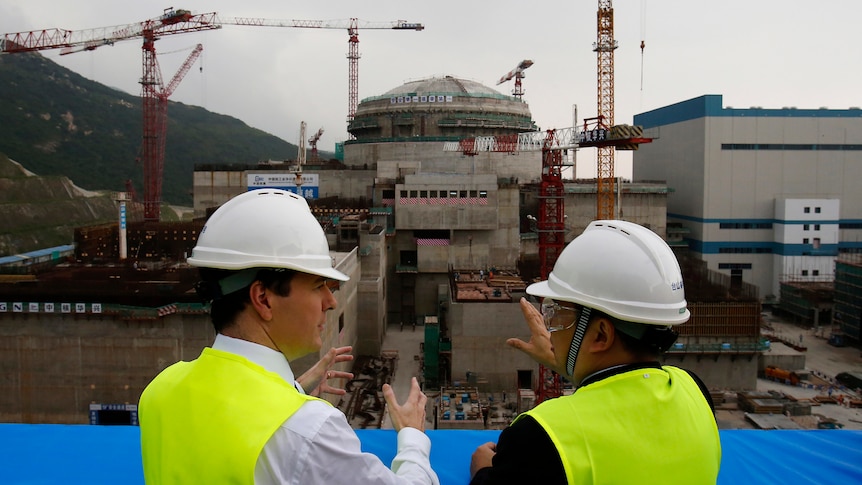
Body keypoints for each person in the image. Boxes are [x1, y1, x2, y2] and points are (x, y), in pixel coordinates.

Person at [139, 189, 439, 485]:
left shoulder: (160, 391)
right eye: (318, 285)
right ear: (264, 299)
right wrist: (412, 437)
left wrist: (290, 391)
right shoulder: (308, 430)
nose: (330, 301)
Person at [470, 220, 721, 484]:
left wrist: (483, 471)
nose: (551, 329)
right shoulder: (696, 391)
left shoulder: (541, 434)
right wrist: (569, 365)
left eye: (559, 316)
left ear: (601, 334)